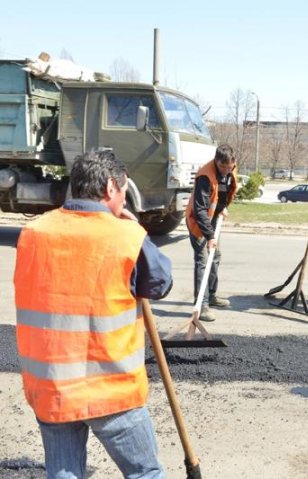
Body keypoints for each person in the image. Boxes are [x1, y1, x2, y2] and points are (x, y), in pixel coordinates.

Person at [14, 150, 173, 478]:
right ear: (112, 188)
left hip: (52, 388)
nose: (125, 199)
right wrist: (134, 230)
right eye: (125, 190)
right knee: (146, 473)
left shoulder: (33, 233)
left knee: (64, 473)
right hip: (110, 392)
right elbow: (160, 283)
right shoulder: (126, 236)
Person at [185, 144, 238, 322]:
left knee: (216, 257)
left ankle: (212, 296)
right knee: (202, 261)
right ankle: (202, 305)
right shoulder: (205, 177)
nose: (225, 170)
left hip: (214, 218)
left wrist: (222, 208)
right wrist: (210, 236)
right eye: (222, 167)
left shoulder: (230, 171)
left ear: (233, 163)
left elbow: (224, 191)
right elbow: (199, 210)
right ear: (216, 161)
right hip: (198, 221)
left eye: (228, 167)